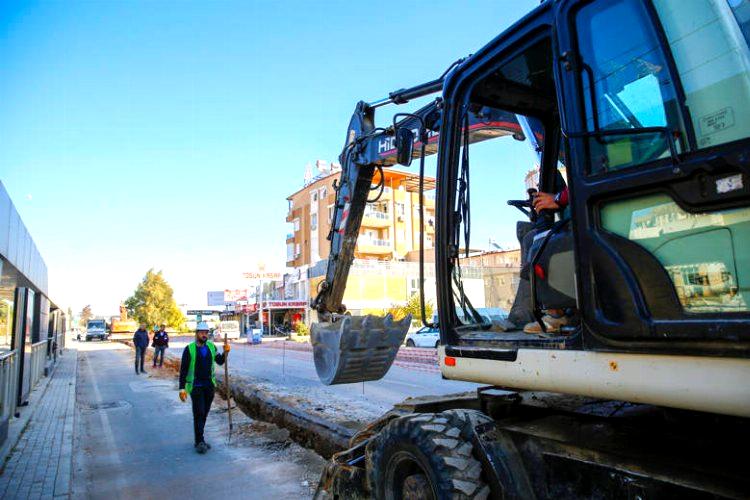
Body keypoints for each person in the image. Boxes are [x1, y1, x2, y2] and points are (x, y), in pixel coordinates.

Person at [178, 322, 230, 454]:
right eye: (201, 332)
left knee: (204, 414)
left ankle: (200, 439)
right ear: (196, 334)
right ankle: (199, 441)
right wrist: (182, 388)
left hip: (209, 386)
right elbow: (183, 370)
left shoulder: (212, 347)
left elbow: (219, 361)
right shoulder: (189, 349)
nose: (204, 335)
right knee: (199, 413)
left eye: (206, 332)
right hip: (195, 386)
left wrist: (225, 352)